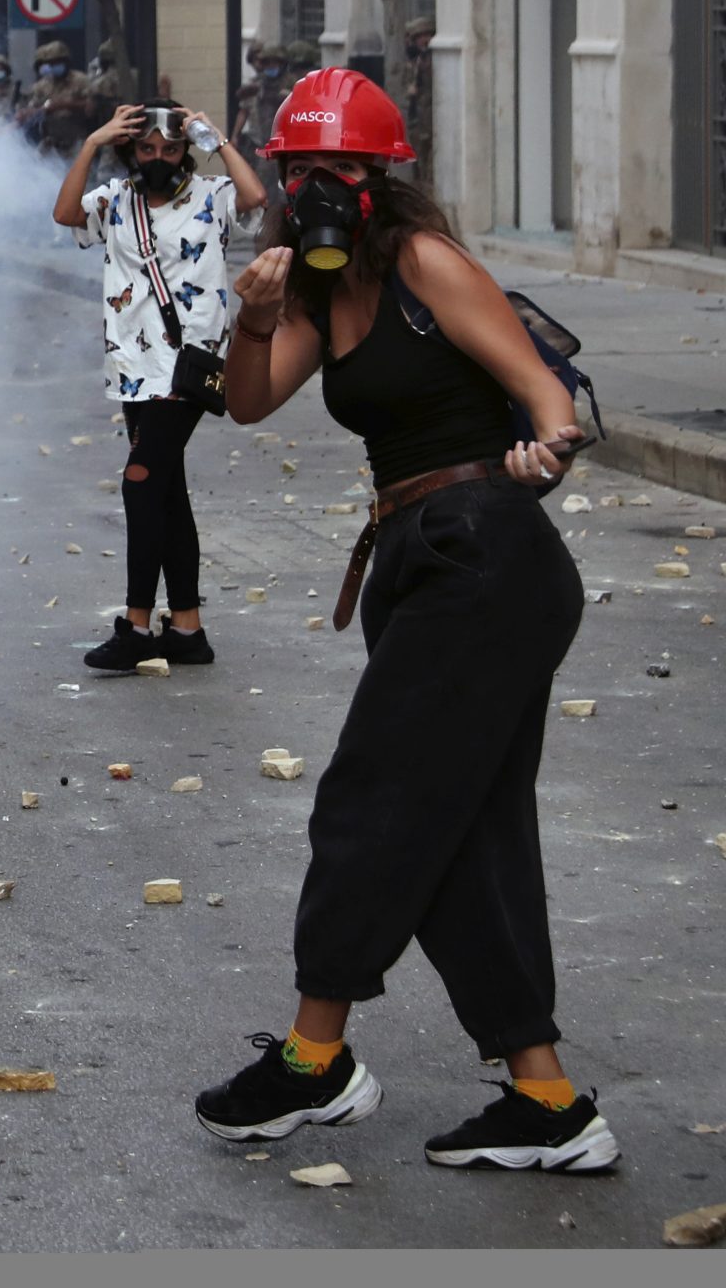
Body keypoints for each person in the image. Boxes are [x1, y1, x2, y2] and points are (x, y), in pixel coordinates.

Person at [193, 68, 620, 1175]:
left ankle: (313, 1058)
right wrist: (250, 317)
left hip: (484, 549)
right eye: (301, 168)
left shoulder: (427, 265)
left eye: (343, 168)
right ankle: (547, 1100)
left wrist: (544, 453)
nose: (320, 186)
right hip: (421, 559)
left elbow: (546, 397)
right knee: (465, 832)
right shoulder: (318, 293)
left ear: (384, 178)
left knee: (371, 804)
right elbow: (246, 403)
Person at [52, 98, 268, 669]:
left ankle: (137, 627)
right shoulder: (116, 201)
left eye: (169, 149)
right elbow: (66, 214)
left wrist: (214, 137)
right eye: (146, 148)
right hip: (131, 367)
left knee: (141, 483)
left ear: (184, 151)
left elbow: (256, 199)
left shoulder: (211, 195)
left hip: (188, 364)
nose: (158, 158)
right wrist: (94, 141)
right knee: (168, 491)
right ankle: (188, 630)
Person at [17, 40, 95, 154]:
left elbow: (91, 107)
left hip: (76, 141)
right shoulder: (42, 86)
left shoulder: (81, 80)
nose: (54, 66)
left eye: (57, 62)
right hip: (50, 142)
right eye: (50, 63)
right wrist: (34, 111)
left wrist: (63, 105)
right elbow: (31, 109)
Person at [400, 15, 436, 161]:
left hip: (431, 117)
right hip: (417, 120)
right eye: (420, 36)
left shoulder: (432, 59)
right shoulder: (412, 63)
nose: (424, 40)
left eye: (427, 35)